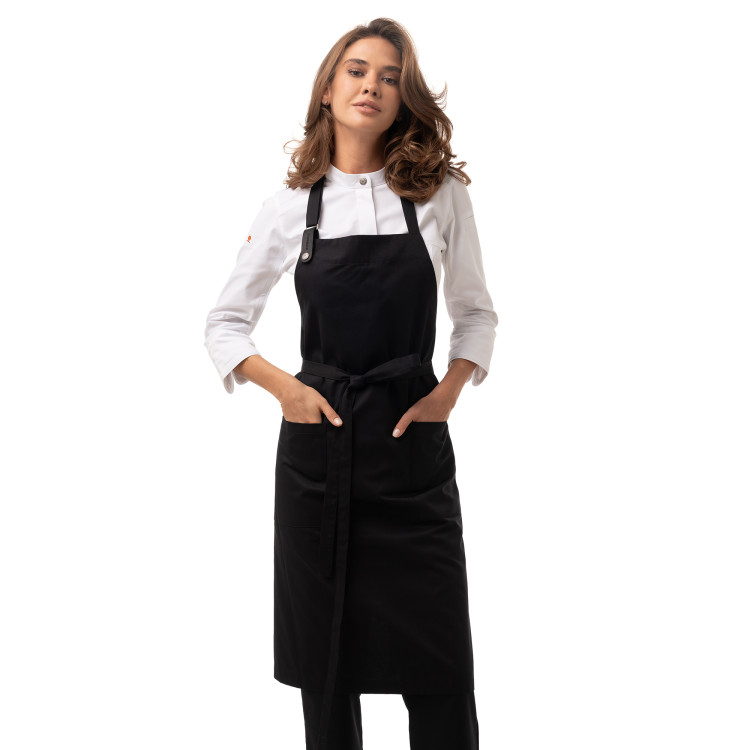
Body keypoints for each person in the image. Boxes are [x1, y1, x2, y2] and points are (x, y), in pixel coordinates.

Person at [204, 17, 497, 750]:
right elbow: (225, 325)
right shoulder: (290, 208)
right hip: (320, 457)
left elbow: (475, 315)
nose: (373, 86)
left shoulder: (440, 196)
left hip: (411, 454)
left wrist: (446, 394)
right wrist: (287, 391)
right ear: (328, 91)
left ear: (404, 98)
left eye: (391, 77)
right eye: (358, 71)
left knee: (440, 668)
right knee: (326, 667)